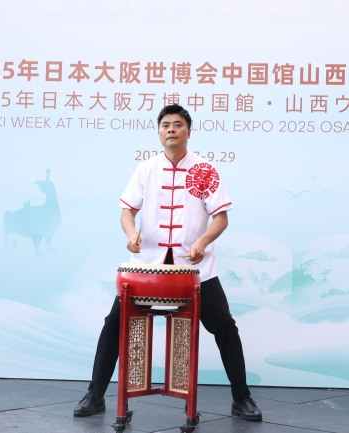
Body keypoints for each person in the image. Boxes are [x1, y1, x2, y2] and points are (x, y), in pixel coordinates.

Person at [74, 104, 262, 422]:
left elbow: (221, 217)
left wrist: (202, 241)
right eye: (165, 125)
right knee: (113, 324)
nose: (171, 129)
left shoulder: (204, 169)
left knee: (225, 326)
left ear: (188, 131)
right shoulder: (146, 169)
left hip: (195, 271)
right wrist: (131, 234)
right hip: (147, 268)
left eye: (177, 124)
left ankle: (242, 398)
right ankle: (95, 394)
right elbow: (127, 211)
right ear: (159, 132)